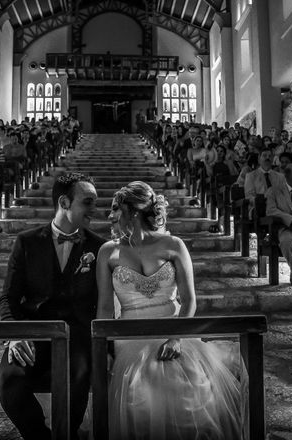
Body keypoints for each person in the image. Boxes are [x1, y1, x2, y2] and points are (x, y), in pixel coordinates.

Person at [96, 181, 243, 439]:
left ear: (134, 211)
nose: (110, 216)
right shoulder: (108, 252)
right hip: (130, 335)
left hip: (174, 328)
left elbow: (189, 300)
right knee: (141, 385)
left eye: (115, 208)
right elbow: (105, 308)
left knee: (191, 385)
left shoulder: (174, 245)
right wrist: (103, 349)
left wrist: (177, 338)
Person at [0, 173, 106, 440]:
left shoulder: (99, 247)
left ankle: (66, 434)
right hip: (33, 333)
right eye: (88, 202)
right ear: (64, 202)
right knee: (8, 381)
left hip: (77, 336)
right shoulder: (27, 241)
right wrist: (14, 334)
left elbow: (103, 302)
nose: (95, 209)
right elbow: (8, 297)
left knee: (78, 377)